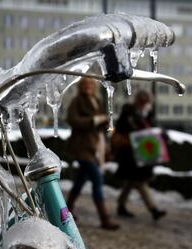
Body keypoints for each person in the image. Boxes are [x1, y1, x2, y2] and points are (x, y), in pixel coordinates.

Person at [66, 77, 119, 230]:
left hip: (95, 146)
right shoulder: (77, 101)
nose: (88, 86)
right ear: (81, 86)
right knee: (96, 178)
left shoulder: (96, 100)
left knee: (80, 181)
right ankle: (104, 218)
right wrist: (94, 120)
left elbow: (101, 124)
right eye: (85, 84)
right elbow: (72, 119)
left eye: (90, 84)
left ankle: (66, 210)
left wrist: (105, 123)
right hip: (82, 147)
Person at [112, 89, 166, 221]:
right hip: (129, 155)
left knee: (130, 182)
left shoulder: (147, 114)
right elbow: (121, 129)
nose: (144, 104)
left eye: (145, 102)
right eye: (142, 101)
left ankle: (121, 205)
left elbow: (152, 128)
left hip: (141, 153)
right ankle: (153, 209)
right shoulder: (129, 113)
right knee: (139, 182)